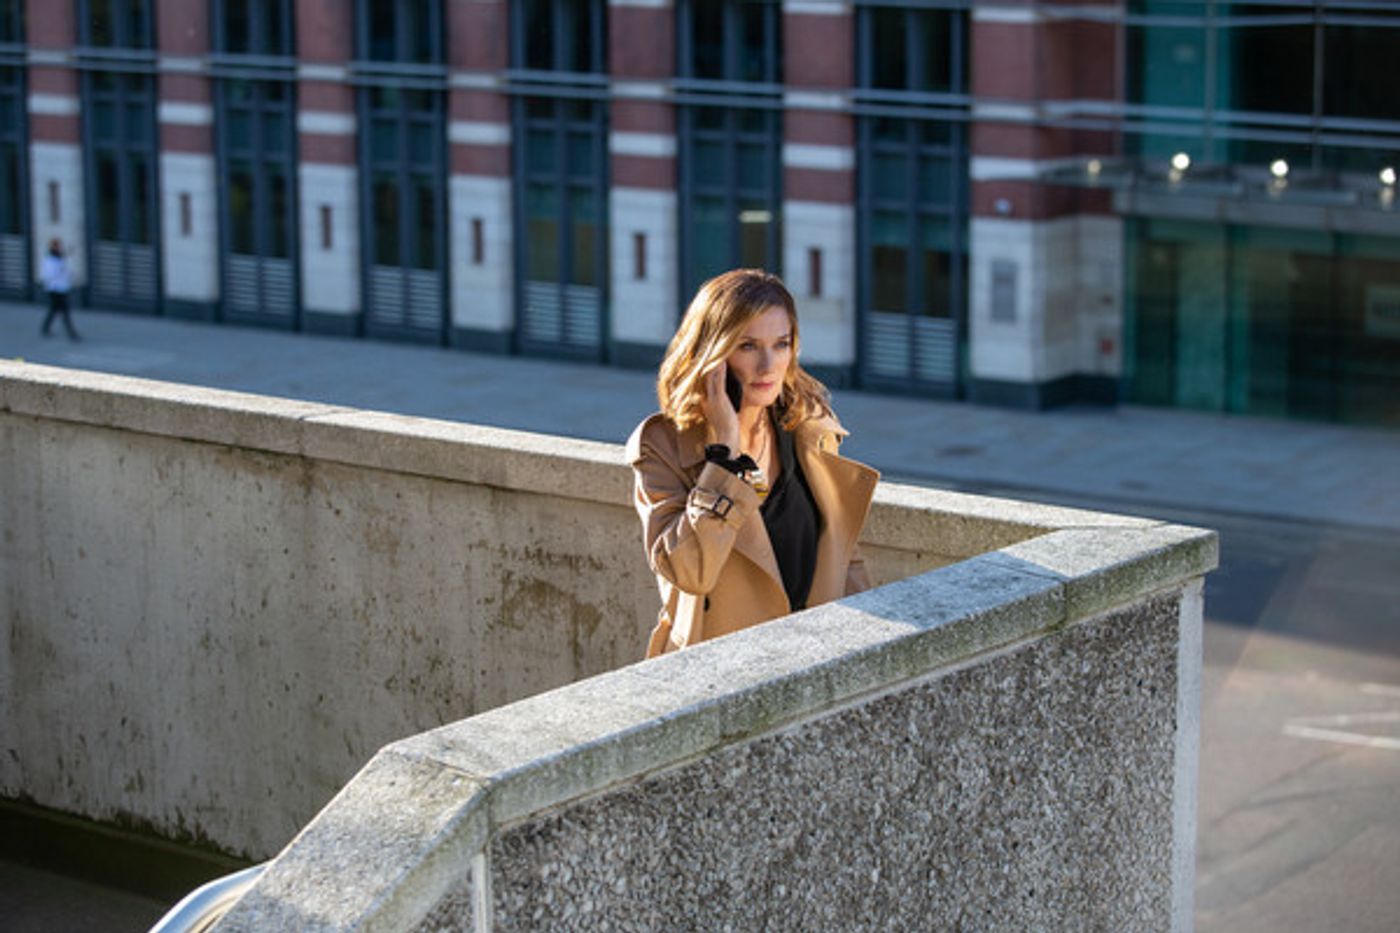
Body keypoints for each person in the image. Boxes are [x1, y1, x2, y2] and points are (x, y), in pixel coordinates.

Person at [626, 269, 879, 658]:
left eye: (781, 344)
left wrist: (867, 646)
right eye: (747, 346)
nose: (768, 365)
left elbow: (843, 553)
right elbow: (689, 572)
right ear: (713, 355)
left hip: (813, 659)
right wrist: (723, 456)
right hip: (719, 668)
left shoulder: (807, 424)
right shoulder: (663, 446)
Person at [40, 239, 79, 341]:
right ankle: (72, 333)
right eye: (57, 246)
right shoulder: (49, 260)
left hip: (63, 288)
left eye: (59, 246)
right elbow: (48, 275)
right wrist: (60, 269)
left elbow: (67, 269)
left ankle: (45, 328)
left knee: (54, 309)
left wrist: (70, 275)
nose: (59, 248)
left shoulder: (60, 257)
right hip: (54, 289)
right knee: (65, 311)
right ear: (52, 247)